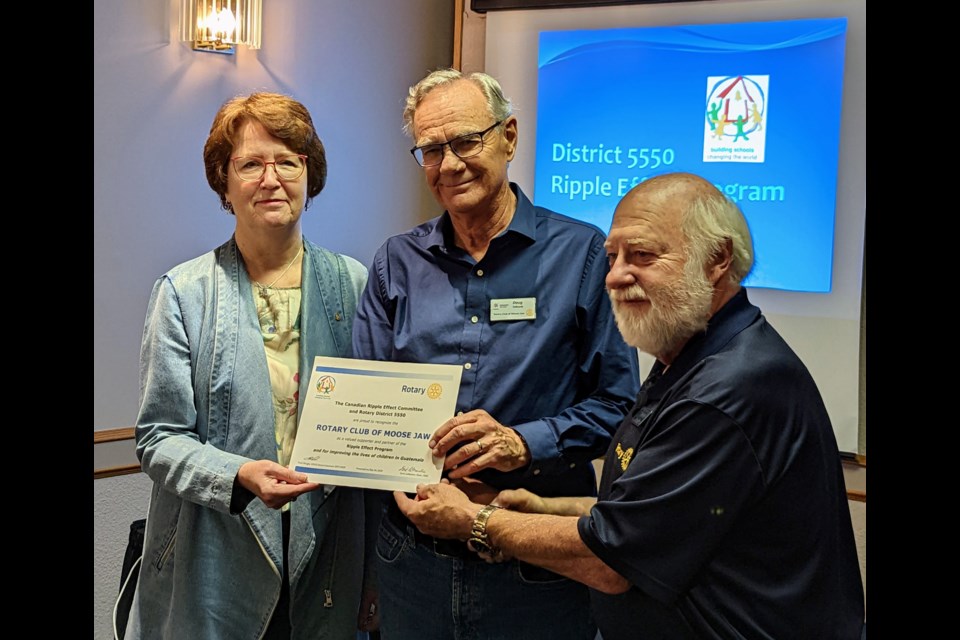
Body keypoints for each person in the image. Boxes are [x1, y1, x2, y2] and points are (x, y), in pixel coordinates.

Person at [396, 172, 866, 639]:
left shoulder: (727, 390)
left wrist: (475, 522)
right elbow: (650, 513)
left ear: (718, 259)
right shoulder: (688, 359)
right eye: (613, 257)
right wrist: (541, 507)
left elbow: (610, 560)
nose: (616, 276)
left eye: (642, 255)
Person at [351, 68, 639, 639]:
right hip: (413, 560)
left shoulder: (581, 254)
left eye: (465, 141)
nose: (450, 164)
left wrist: (522, 442)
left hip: (534, 566)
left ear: (508, 136)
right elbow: (362, 403)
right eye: (431, 150)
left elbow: (619, 405)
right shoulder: (396, 263)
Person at [124, 92, 374, 640]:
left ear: (310, 173)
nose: (272, 178)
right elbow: (159, 437)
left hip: (327, 549)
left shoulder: (353, 284)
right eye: (251, 163)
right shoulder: (182, 292)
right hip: (214, 553)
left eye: (288, 160)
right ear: (224, 180)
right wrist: (237, 474)